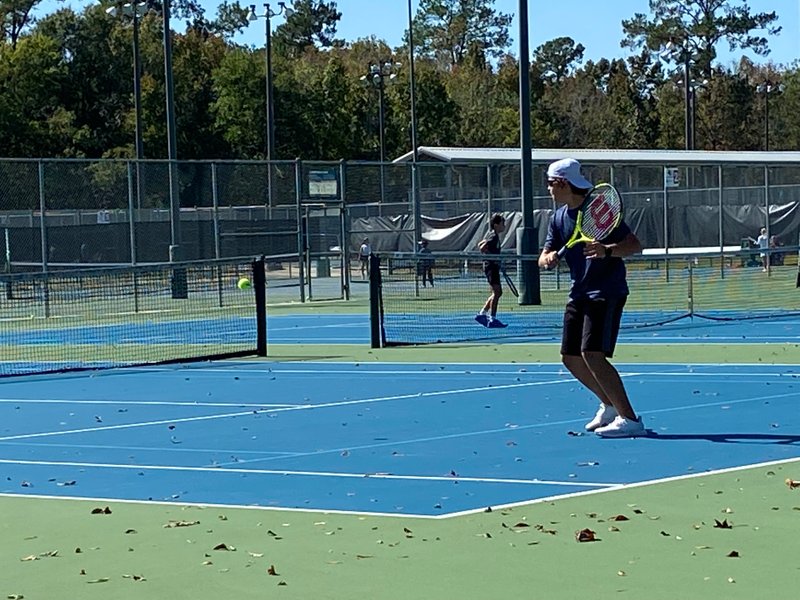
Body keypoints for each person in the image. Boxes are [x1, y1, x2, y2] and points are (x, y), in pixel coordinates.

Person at [538, 158, 645, 438]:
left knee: (592, 354)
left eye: (550, 184)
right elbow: (545, 253)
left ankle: (630, 420)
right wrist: (547, 258)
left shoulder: (599, 211)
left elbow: (634, 245)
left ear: (561, 183)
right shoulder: (559, 218)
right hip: (579, 293)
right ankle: (609, 405)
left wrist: (607, 250)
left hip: (606, 292)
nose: (548, 189)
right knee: (570, 358)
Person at [475, 213, 508, 328]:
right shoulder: (493, 236)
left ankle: (482, 314)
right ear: (496, 224)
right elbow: (482, 247)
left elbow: (481, 243)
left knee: (497, 293)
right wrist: (493, 258)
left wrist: (495, 258)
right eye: (502, 223)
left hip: (492, 266)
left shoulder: (492, 236)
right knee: (497, 292)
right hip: (491, 267)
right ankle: (492, 318)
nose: (504, 226)